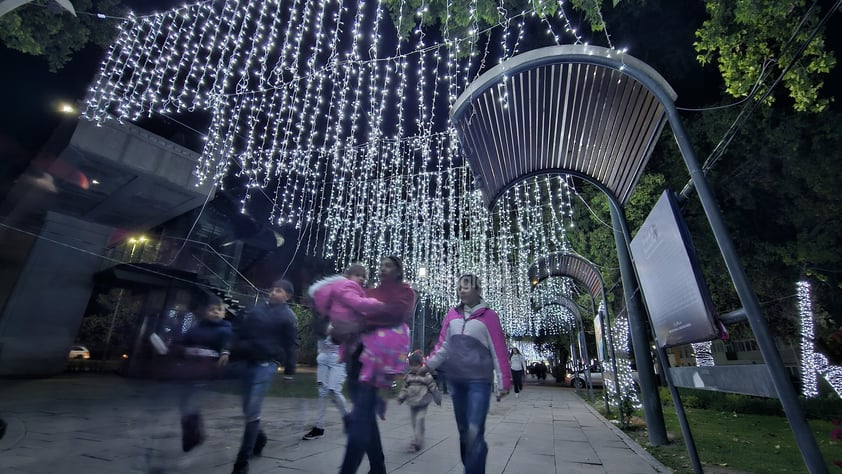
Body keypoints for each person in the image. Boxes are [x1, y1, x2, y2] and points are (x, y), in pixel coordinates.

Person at [423, 274, 512, 474]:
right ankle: (477, 454)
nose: (461, 290)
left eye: (466, 287)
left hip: (479, 382)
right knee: (465, 433)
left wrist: (503, 381)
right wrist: (427, 365)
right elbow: (443, 346)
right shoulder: (451, 315)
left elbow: (498, 351)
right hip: (457, 381)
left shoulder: (489, 316)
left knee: (474, 430)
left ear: (477, 290)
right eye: (459, 287)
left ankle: (474, 463)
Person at [340, 255, 416, 474]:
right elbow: (355, 313)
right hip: (357, 356)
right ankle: (378, 467)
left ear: (398, 270)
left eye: (388, 265)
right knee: (365, 416)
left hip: (378, 360)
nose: (383, 268)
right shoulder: (370, 291)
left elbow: (396, 313)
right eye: (381, 265)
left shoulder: (405, 291)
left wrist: (368, 316)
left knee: (360, 419)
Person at [303, 263, 383, 441]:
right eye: (357, 275)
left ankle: (348, 417)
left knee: (333, 391)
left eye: (363, 276)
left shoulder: (353, 304)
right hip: (323, 355)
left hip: (338, 357)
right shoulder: (330, 305)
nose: (361, 279)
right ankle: (319, 426)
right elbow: (319, 326)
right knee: (322, 392)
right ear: (348, 276)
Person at [229, 279, 298, 474]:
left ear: (287, 296)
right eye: (272, 289)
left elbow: (291, 345)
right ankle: (259, 437)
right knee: (248, 410)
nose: (274, 293)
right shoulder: (255, 310)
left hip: (266, 365)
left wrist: (289, 372)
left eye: (279, 291)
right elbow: (239, 331)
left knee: (252, 408)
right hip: (248, 361)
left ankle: (241, 463)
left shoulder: (288, 317)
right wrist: (229, 350)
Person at [175, 295, 232, 452]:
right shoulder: (196, 328)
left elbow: (227, 342)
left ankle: (193, 436)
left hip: (206, 369)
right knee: (185, 404)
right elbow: (184, 341)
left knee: (191, 402)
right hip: (190, 368)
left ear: (224, 313)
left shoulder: (225, 329)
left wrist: (225, 352)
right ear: (205, 312)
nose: (215, 312)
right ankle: (192, 433)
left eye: (219, 310)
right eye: (211, 310)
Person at [397, 350, 442, 452]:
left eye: (415, 365)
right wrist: (401, 397)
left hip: (423, 402)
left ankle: (418, 442)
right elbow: (404, 388)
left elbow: (433, 387)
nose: (413, 368)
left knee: (419, 420)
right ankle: (417, 437)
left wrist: (437, 398)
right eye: (411, 365)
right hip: (412, 403)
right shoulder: (408, 376)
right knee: (414, 422)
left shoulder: (426, 375)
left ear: (420, 364)